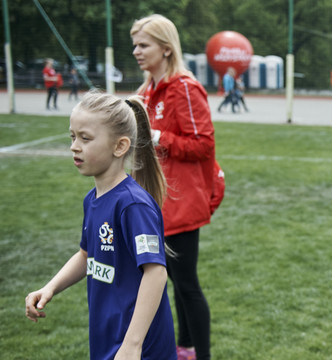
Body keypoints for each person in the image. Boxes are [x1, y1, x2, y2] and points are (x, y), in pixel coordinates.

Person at [24, 89, 175, 360]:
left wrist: (132, 345)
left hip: (140, 346)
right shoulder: (92, 199)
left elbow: (156, 273)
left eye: (86, 138)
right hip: (108, 336)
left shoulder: (132, 205)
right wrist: (51, 287)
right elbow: (86, 255)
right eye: (73, 136)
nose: (74, 146)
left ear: (120, 146)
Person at [131, 14, 222, 360]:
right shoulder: (146, 92)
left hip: (181, 202)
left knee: (186, 285)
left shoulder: (184, 86)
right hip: (154, 200)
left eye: (144, 45)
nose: (137, 51)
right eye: (135, 45)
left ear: (166, 49)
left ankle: (201, 353)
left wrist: (155, 136)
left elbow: (203, 145)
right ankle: (185, 348)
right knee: (169, 283)